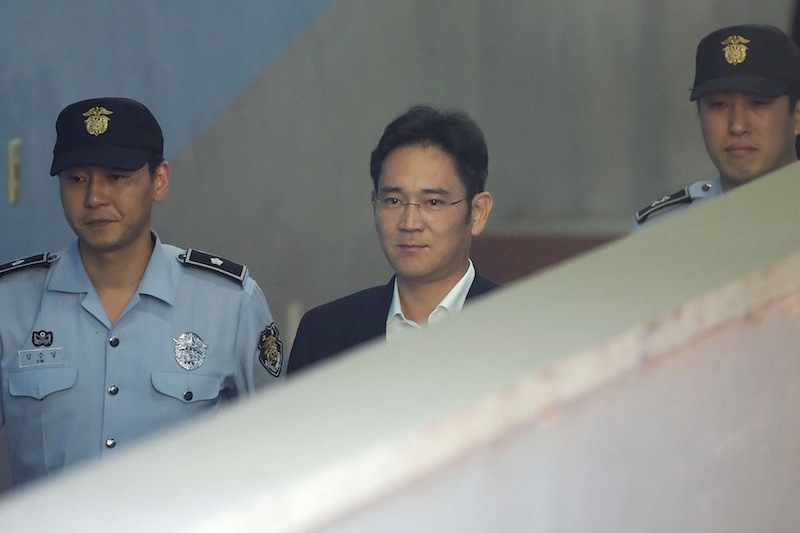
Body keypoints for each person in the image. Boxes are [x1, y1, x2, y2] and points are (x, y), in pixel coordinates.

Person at [0, 97, 284, 486]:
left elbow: (279, 451)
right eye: (76, 178)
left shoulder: (230, 304)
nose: (94, 197)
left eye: (116, 176)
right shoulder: (9, 304)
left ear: (160, 180)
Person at [288, 105, 499, 375]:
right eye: (394, 201)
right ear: (374, 203)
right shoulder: (324, 334)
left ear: (478, 212)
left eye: (433, 202)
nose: (410, 223)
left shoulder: (524, 330)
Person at [634, 24, 800, 228]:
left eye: (758, 102)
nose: (738, 126)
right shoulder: (661, 230)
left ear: (797, 116)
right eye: (719, 105)